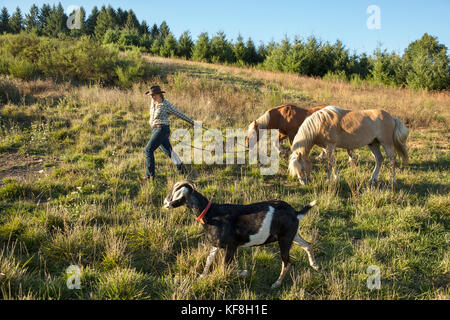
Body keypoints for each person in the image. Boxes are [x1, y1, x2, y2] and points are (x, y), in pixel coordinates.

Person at [143, 85, 194, 180]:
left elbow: (179, 113)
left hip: (162, 129)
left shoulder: (166, 104)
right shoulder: (153, 103)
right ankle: (183, 171)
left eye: (153, 95)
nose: (151, 97)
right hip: (155, 130)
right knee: (169, 152)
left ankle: (150, 176)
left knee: (148, 150)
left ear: (159, 94)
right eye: (151, 95)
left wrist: (192, 122)